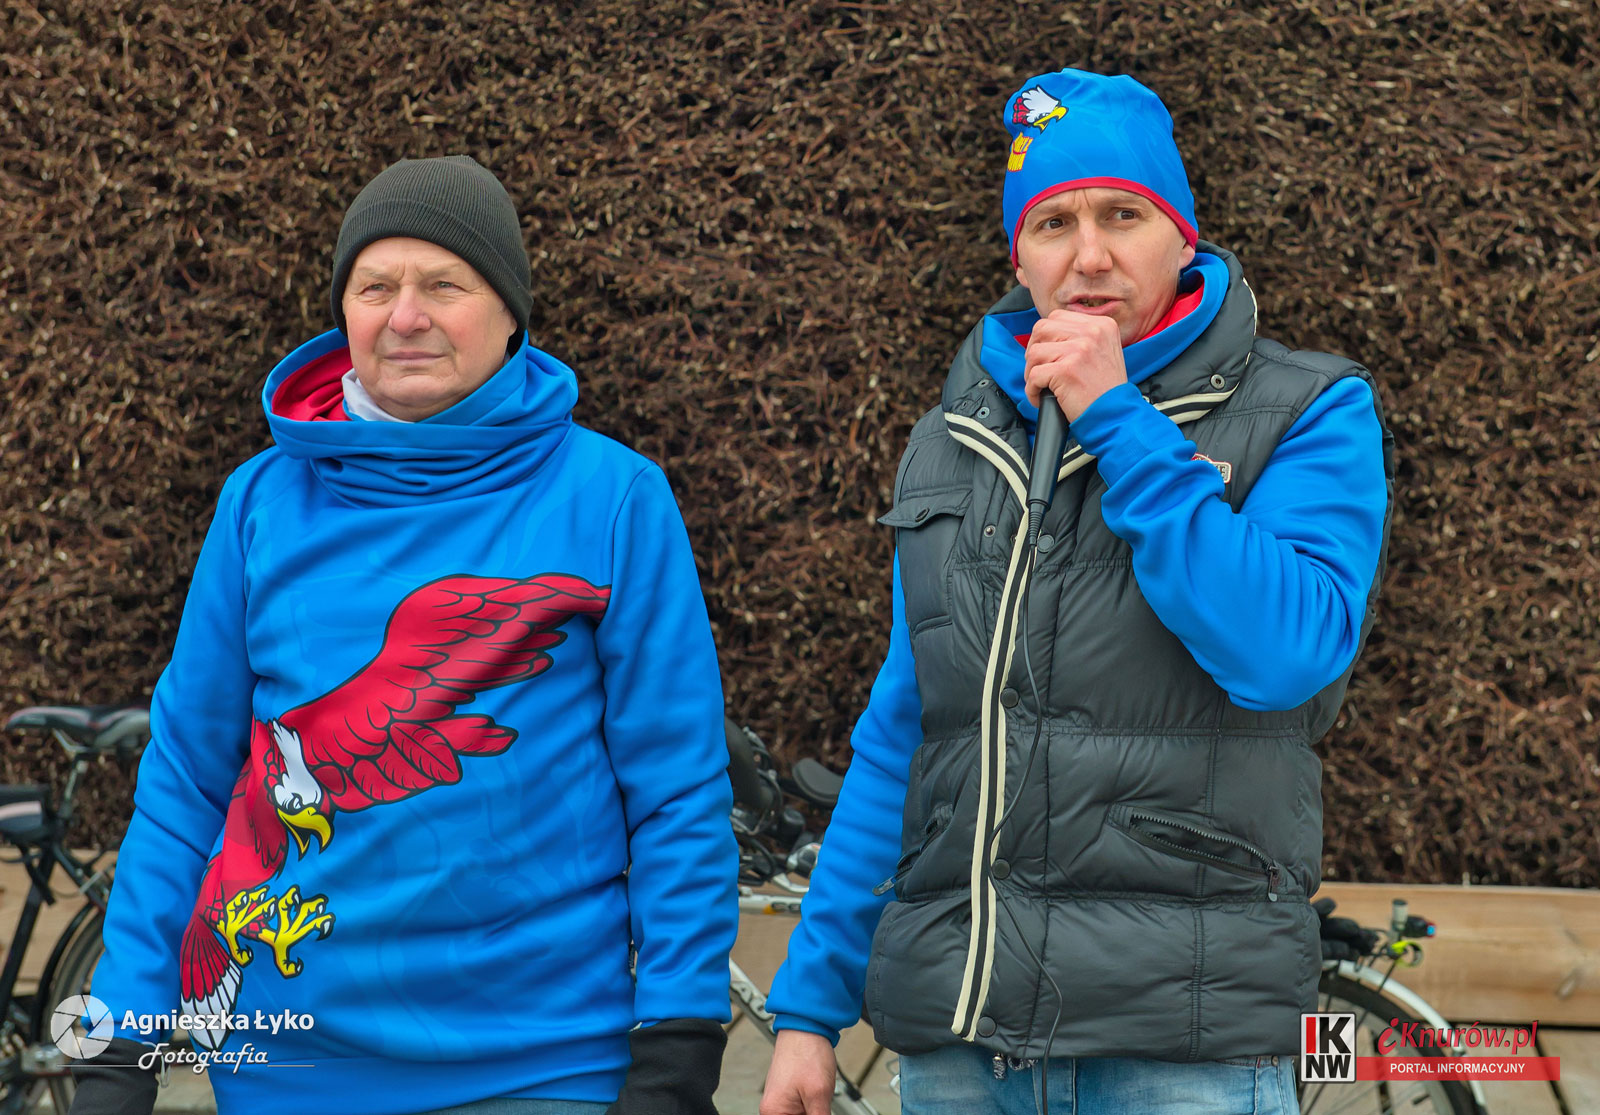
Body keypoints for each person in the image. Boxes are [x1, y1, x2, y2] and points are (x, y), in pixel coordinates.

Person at [761, 69, 1395, 1115]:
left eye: (1122, 215)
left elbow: (1287, 651)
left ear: (1181, 236)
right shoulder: (952, 439)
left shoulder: (1308, 409)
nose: (1089, 255)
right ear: (1019, 256)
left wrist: (1119, 421)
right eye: (1053, 222)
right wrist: (807, 1009)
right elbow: (909, 737)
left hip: (1183, 1049)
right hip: (965, 1050)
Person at [71, 156, 737, 1115]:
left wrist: (679, 1037)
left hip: (543, 1063)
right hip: (289, 1067)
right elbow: (184, 784)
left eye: (444, 285)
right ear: (344, 312)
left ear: (510, 312)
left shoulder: (613, 497)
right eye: (375, 287)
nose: (406, 316)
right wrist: (119, 1039)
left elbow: (675, 789)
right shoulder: (259, 503)